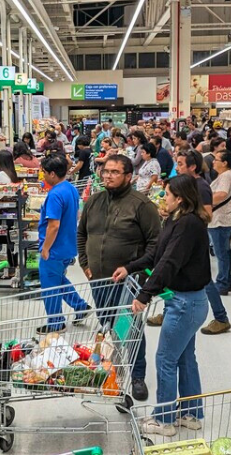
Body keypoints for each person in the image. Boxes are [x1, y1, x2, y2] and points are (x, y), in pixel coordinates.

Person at [114, 174, 211, 437]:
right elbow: (157, 255)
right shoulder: (176, 220)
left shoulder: (188, 225)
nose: (163, 198)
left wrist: (144, 295)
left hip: (185, 304)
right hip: (187, 302)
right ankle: (191, 414)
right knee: (184, 358)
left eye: (166, 194)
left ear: (180, 198)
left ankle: (164, 420)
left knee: (166, 359)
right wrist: (130, 267)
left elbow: (169, 263)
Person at [78, 154, 159, 402]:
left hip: (128, 283)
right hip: (98, 280)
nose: (108, 176)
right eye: (105, 171)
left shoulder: (141, 205)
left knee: (131, 330)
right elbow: (81, 234)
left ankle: (137, 376)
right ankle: (112, 371)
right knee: (107, 327)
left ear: (128, 176)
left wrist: (138, 272)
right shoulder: (94, 201)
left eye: (114, 172)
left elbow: (156, 244)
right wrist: (85, 264)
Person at [174, 150, 230, 335]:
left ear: (192, 167)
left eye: (180, 164)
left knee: (205, 280)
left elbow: (207, 215)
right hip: (184, 237)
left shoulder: (202, 187)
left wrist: (184, 213)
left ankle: (221, 318)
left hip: (195, 241)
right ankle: (170, 311)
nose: (177, 168)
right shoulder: (187, 185)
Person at [37, 154, 91, 333]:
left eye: (44, 172)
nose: (43, 175)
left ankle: (56, 323)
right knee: (58, 279)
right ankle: (80, 306)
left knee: (50, 287)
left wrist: (46, 248)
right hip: (68, 245)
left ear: (52, 174)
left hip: (55, 249)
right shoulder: (70, 188)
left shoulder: (55, 194)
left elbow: (54, 225)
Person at [209, 149, 231, 295]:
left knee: (221, 253)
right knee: (225, 252)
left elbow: (222, 194)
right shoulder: (227, 175)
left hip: (221, 220)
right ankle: (226, 280)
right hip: (224, 219)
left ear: (225, 163)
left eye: (216, 160)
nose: (213, 162)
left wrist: (205, 201)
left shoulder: (226, 176)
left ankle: (222, 283)